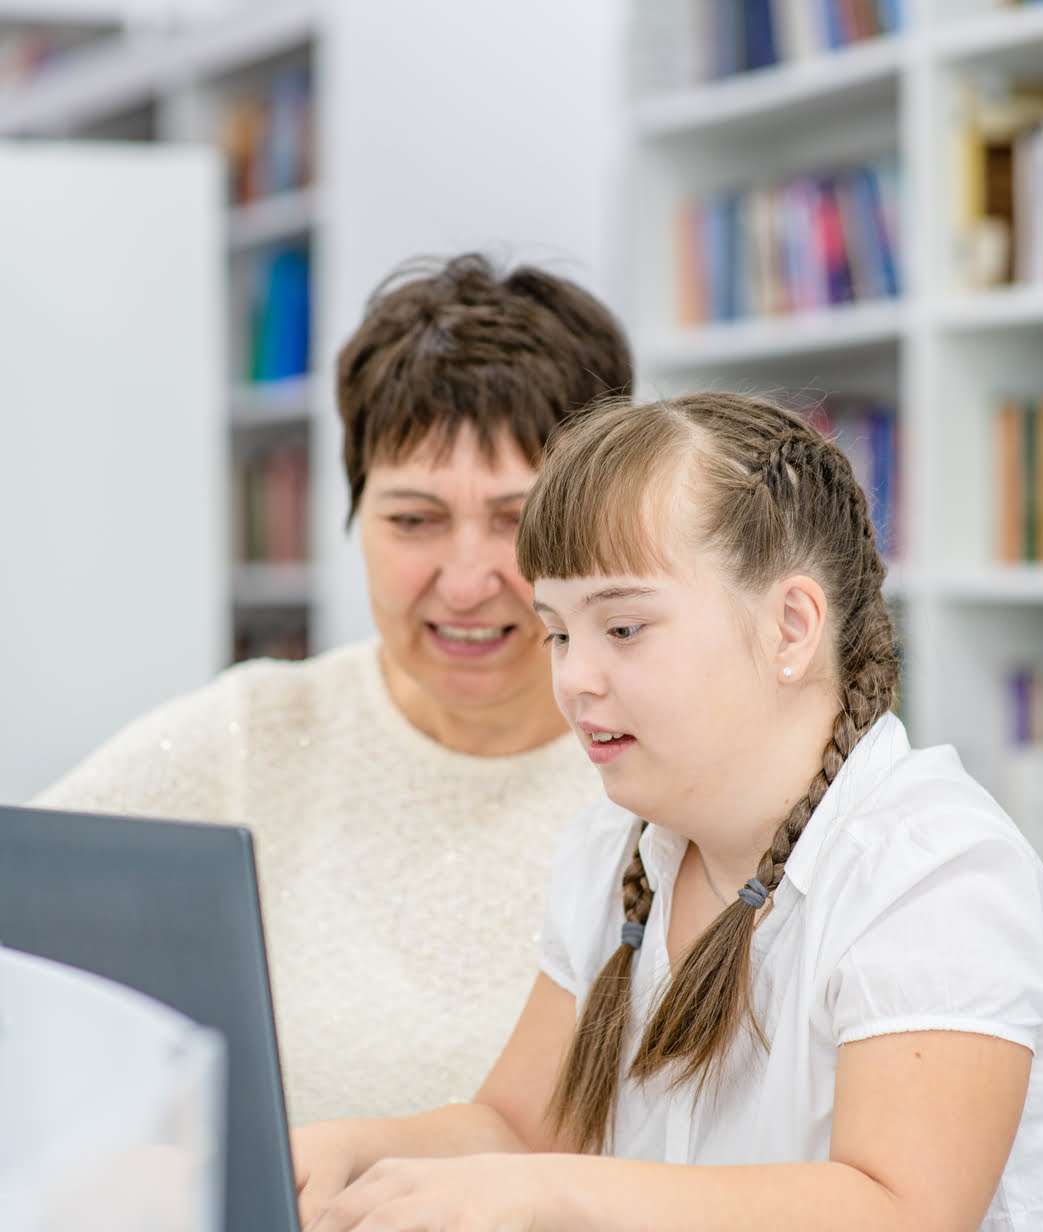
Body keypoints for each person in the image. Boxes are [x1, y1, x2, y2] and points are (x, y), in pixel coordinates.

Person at [293, 392, 1043, 1232]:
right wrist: (352, 1154)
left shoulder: (934, 869)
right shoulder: (612, 854)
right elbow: (520, 1127)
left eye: (622, 628)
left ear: (788, 628)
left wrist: (545, 1196)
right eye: (558, 632)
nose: (573, 678)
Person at [35, 255, 633, 1124]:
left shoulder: (669, 770)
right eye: (413, 520)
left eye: (519, 521)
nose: (466, 581)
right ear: (354, 518)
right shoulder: (254, 735)